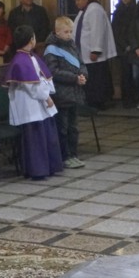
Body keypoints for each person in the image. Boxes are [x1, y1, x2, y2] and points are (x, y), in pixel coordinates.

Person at [2, 25, 64, 180]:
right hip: (30, 106)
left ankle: (49, 166)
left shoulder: (30, 57)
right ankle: (38, 170)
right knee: (35, 139)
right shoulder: (21, 60)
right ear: (31, 40)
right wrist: (47, 97)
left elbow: (42, 77)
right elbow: (32, 86)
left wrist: (46, 93)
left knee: (45, 136)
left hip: (37, 104)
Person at [44, 16, 88, 169]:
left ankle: (74, 154)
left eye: (70, 32)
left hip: (74, 92)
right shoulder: (51, 49)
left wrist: (83, 75)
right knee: (62, 127)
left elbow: (81, 63)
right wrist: (74, 78)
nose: (69, 35)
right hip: (61, 94)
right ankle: (65, 156)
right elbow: (53, 72)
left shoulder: (72, 45)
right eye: (66, 32)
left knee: (73, 127)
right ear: (57, 32)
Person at [72, 0, 117, 109]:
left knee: (97, 79)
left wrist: (96, 50)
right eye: (75, 0)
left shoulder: (94, 10)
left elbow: (97, 31)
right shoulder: (83, 11)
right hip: (84, 53)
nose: (76, 3)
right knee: (91, 79)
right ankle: (91, 101)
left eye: (78, 0)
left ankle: (99, 102)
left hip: (93, 54)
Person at [111, 0, 137, 107]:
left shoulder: (136, 11)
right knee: (125, 73)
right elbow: (115, 31)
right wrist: (125, 45)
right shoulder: (118, 12)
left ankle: (136, 97)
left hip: (135, 46)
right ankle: (126, 99)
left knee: (134, 74)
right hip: (122, 48)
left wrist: (133, 44)